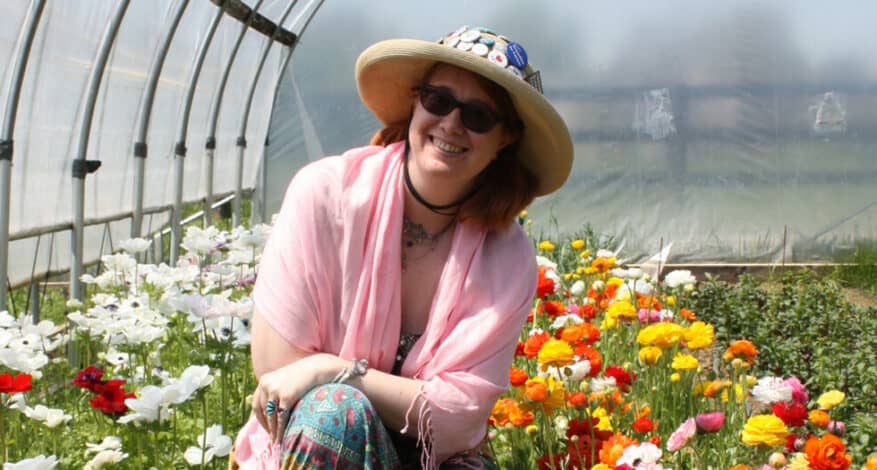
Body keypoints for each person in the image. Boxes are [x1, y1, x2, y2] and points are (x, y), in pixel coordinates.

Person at [231, 25, 573, 469]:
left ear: (504, 139)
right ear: (415, 102)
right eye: (438, 100)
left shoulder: (506, 258)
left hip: (434, 458)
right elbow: (279, 374)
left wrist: (331, 368)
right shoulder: (326, 195)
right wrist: (341, 386)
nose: (452, 123)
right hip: (315, 445)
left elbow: (459, 420)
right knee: (333, 414)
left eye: (478, 115)